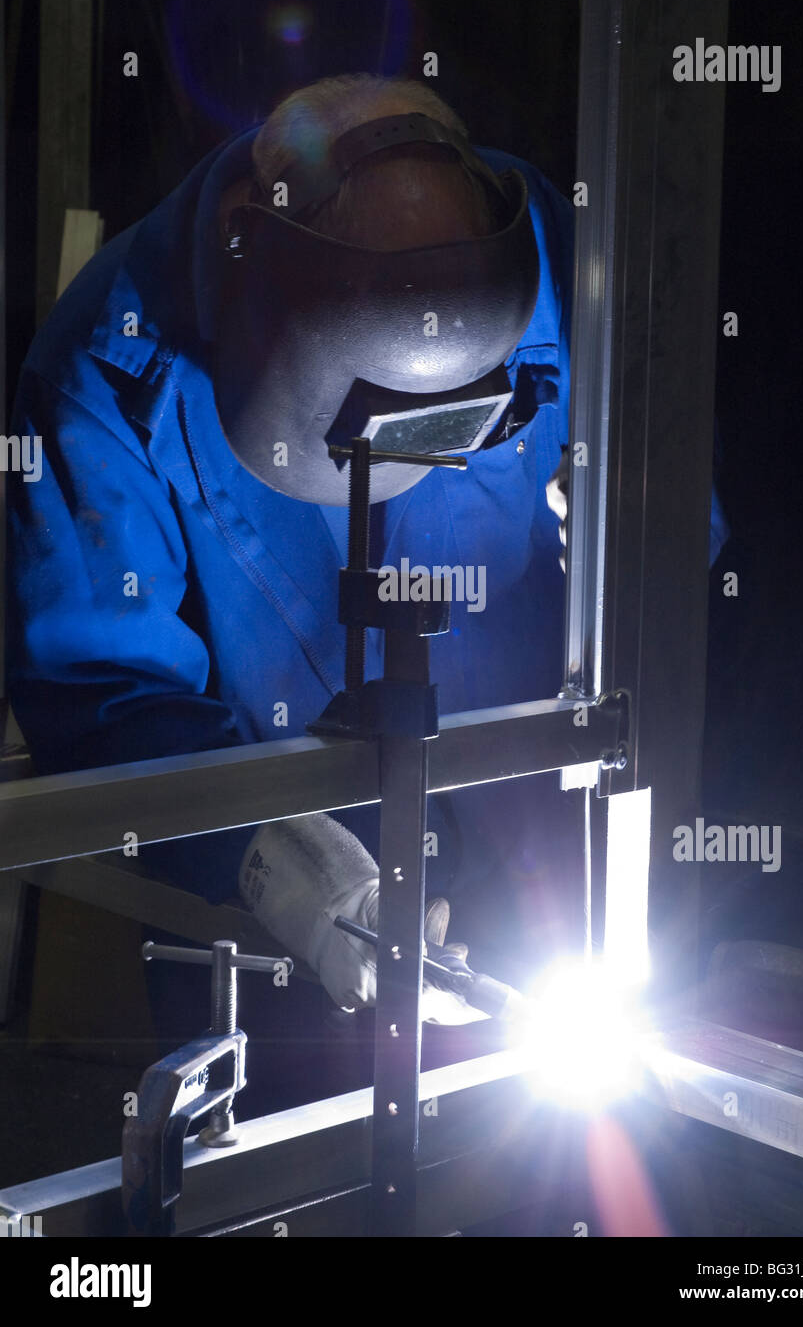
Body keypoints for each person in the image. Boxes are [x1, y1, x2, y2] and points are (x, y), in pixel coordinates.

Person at [6, 75, 726, 1093]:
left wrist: (624, 552)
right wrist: (282, 863)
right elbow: (102, 692)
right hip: (285, 946)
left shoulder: (561, 264)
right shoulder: (103, 369)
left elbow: (678, 551)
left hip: (551, 896)